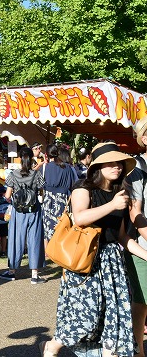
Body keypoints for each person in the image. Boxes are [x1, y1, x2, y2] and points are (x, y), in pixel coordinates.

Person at [41, 142, 147, 357]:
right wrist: (112, 206)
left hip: (112, 263)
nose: (116, 166)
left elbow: (122, 237)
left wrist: (146, 254)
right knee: (84, 317)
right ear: (97, 166)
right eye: (110, 162)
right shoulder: (83, 187)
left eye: (119, 163)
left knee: (112, 319)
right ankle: (52, 347)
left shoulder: (120, 194)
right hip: (85, 261)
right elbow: (79, 217)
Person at [0, 147, 46, 284]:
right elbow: (41, 191)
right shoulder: (36, 174)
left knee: (15, 239)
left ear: (20, 158)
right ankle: (35, 275)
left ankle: (12, 271)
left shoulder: (13, 174)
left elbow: (7, 195)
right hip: (34, 210)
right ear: (32, 158)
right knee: (35, 239)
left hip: (18, 212)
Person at [126, 118, 147, 357]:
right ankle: (137, 348)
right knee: (141, 301)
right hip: (142, 246)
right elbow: (135, 213)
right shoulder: (138, 170)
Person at [40, 144, 77, 246]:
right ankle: (62, 247)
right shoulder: (68, 168)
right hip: (63, 199)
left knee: (48, 226)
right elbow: (72, 185)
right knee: (63, 224)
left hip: (49, 200)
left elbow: (41, 184)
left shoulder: (45, 168)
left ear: (46, 155)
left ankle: (49, 248)